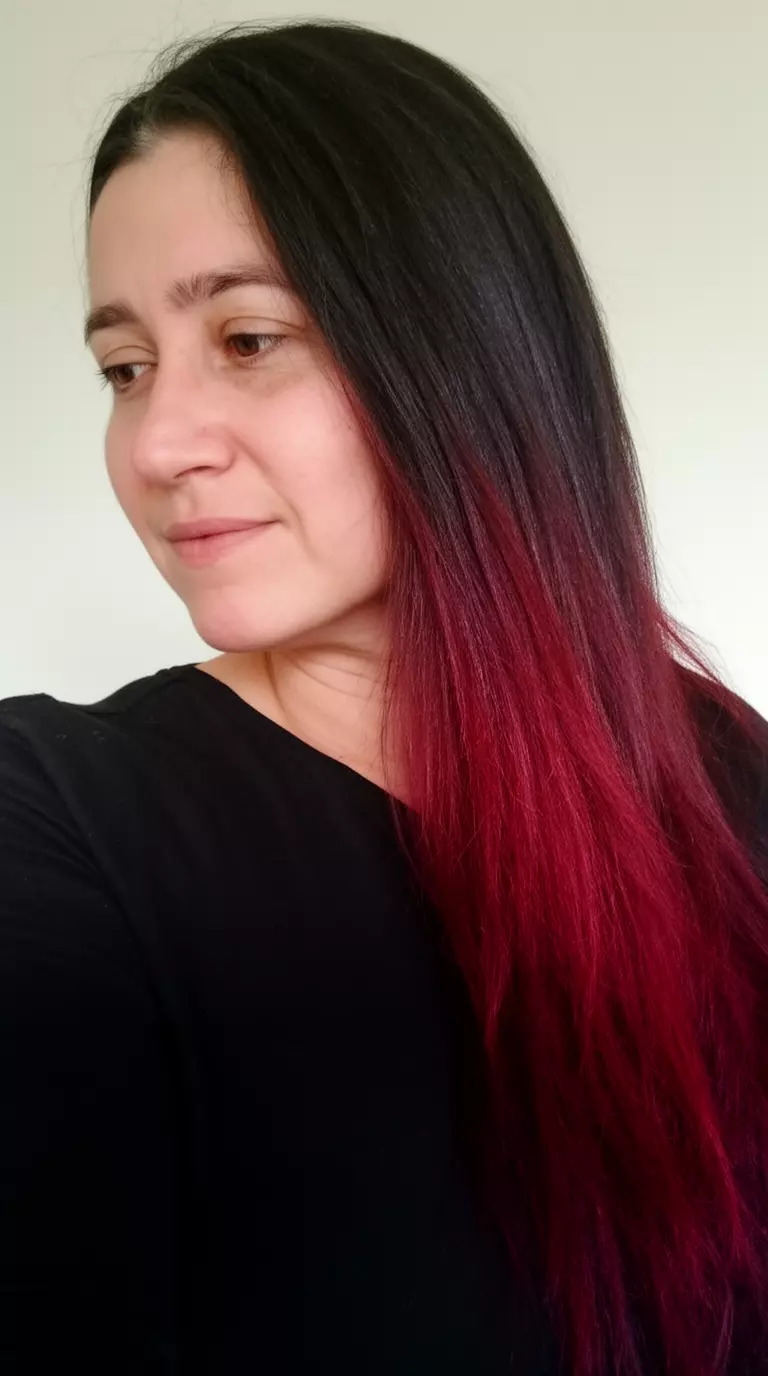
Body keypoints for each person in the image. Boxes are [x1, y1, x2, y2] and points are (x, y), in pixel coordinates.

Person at [2, 18, 767, 1376]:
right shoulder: (56, 833)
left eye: (247, 338)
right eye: (124, 368)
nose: (159, 440)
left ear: (461, 356)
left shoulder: (733, 788)